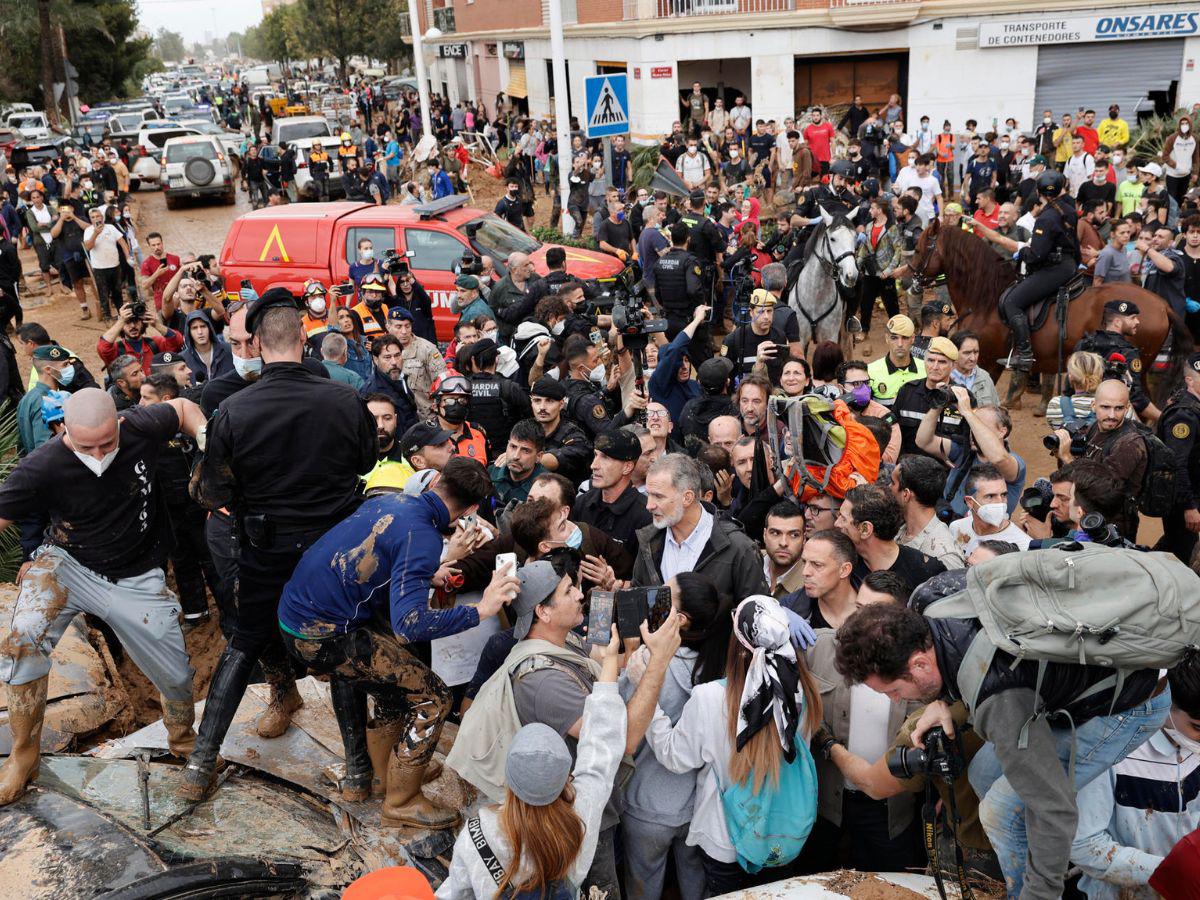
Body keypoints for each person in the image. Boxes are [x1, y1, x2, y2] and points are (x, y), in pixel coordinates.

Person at [833, 600, 1171, 900]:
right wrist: (944, 702)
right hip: (1070, 686)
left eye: (893, 689)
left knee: (1001, 809)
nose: (895, 700)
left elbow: (1054, 809)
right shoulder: (934, 608)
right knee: (983, 774)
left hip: (1130, 705)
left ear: (920, 664)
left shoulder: (998, 699)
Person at [180, 290, 378, 801]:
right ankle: (357, 773)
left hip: (267, 548)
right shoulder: (344, 400)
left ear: (260, 346)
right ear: (303, 339)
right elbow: (364, 463)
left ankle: (200, 767)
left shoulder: (234, 409)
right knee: (338, 645)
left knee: (244, 641)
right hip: (333, 549)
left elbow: (214, 493)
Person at [0, 389, 208, 806]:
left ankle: (185, 743)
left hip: (136, 574)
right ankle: (24, 755)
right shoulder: (41, 466)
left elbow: (184, 409)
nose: (97, 455)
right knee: (22, 637)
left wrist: (208, 442)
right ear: (64, 432)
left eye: (107, 444)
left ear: (119, 423)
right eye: (85, 446)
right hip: (67, 563)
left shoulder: (141, 424)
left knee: (176, 675)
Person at [279, 459, 504, 828]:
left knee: (394, 686)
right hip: (321, 636)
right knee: (435, 698)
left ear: (436, 482)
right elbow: (410, 624)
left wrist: (428, 576)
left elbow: (380, 559)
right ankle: (402, 800)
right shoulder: (425, 536)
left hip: (297, 617)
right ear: (472, 511)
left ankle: (387, 776)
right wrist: (481, 610)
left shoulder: (394, 503)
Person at [451, 560, 683, 899]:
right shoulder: (543, 682)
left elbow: (606, 661)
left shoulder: (564, 640)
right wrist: (659, 661)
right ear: (543, 612)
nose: (580, 595)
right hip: (574, 822)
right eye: (568, 591)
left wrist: (630, 646)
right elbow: (623, 741)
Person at [643, 594, 822, 895]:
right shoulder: (801, 693)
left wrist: (649, 703)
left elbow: (674, 757)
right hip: (782, 834)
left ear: (737, 643)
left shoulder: (710, 698)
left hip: (724, 838)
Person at [437, 627, 629, 899]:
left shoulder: (481, 830)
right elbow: (601, 747)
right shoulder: (580, 817)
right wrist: (610, 662)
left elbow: (457, 891)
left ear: (509, 779)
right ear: (566, 778)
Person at [1070, 654, 1200, 899]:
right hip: (1116, 893)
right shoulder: (1113, 749)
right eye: (1197, 727)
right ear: (1166, 701)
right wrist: (1170, 872)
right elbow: (1083, 845)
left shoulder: (1194, 749)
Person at [635, 453, 767, 601]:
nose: (649, 505)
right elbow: (640, 599)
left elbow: (756, 615)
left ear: (687, 498)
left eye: (658, 497)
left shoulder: (739, 548)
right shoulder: (648, 540)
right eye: (649, 495)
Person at [999, 170, 1080, 371]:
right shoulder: (1069, 208)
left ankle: (1025, 354)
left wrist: (1023, 251)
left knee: (1012, 302)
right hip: (1069, 264)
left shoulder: (1046, 218)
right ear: (1062, 188)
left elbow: (1037, 255)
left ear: (1038, 191)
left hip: (1054, 269)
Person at [1051, 379, 1146, 539]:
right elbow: (1085, 467)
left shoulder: (1128, 444)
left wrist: (1067, 457)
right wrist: (1060, 452)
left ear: (1127, 407)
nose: (1111, 415)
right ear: (1093, 405)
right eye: (1105, 407)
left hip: (1111, 528)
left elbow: (1101, 491)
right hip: (1087, 519)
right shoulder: (1096, 427)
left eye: (1119, 408)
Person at [916, 387, 1026, 518]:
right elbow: (924, 441)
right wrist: (938, 405)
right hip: (949, 525)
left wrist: (968, 413)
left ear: (1002, 431)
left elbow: (999, 459)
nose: (973, 432)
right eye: (971, 425)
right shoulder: (963, 453)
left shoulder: (1015, 463)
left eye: (979, 425)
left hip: (986, 533)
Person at [837, 484, 945, 592]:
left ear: (865, 529)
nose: (836, 523)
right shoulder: (843, 565)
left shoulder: (925, 573)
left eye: (843, 519)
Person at [572, 428, 652, 557]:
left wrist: (611, 578)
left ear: (627, 467)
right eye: (595, 455)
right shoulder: (581, 504)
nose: (594, 465)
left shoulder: (646, 516)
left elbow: (646, 573)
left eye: (605, 458)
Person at [1155, 351, 1200, 564]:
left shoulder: (1192, 404)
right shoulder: (1184, 414)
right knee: (1183, 554)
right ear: (1189, 380)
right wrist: (1189, 507)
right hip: (1180, 500)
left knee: (1174, 544)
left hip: (1187, 494)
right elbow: (1177, 464)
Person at [891, 454, 965, 569]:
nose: (888, 487)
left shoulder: (944, 557)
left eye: (893, 483)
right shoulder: (898, 530)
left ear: (906, 495)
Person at [892, 336, 958, 456]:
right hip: (909, 469)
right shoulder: (907, 391)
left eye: (942, 362)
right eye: (931, 360)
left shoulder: (960, 397)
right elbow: (893, 431)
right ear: (924, 361)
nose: (935, 367)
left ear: (953, 365)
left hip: (944, 472)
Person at [948, 464, 1032, 555]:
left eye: (1003, 495)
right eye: (990, 496)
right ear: (969, 502)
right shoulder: (956, 528)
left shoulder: (1024, 546)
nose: (1000, 502)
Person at [97, 302, 185, 373]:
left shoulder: (154, 343)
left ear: (143, 322)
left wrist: (157, 324)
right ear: (122, 326)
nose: (132, 326)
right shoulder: (117, 349)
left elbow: (178, 342)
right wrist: (121, 321)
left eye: (136, 321)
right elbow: (103, 348)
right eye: (127, 322)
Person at [17, 345, 73, 455]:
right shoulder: (47, 402)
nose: (70, 368)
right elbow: (46, 448)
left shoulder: (27, 398)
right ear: (48, 370)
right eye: (65, 365)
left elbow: (21, 447)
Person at [866, 315, 925, 409]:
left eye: (905, 338)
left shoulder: (926, 370)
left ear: (913, 338)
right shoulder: (870, 371)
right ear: (886, 338)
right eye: (894, 338)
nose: (900, 344)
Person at [762, 501, 807, 599]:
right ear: (764, 535)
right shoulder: (749, 561)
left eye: (794, 535)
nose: (783, 543)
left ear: (804, 539)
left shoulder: (811, 580)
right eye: (775, 533)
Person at [948, 331, 999, 408]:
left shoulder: (985, 377)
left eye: (976, 352)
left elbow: (996, 411)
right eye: (967, 353)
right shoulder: (943, 378)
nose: (973, 358)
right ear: (953, 353)